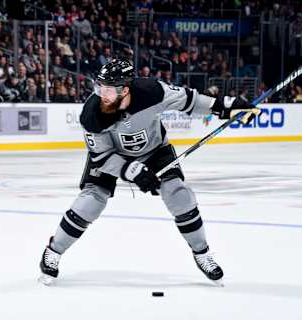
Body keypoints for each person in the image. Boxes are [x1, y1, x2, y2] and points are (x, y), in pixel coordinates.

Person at [39, 59, 258, 286]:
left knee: (179, 196)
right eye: (99, 87)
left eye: (108, 89)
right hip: (111, 156)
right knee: (91, 201)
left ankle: (202, 254)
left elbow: (189, 100)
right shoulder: (92, 114)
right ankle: (53, 251)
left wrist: (226, 106)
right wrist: (131, 170)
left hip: (155, 150)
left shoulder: (152, 92)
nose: (102, 94)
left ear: (125, 90)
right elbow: (102, 157)